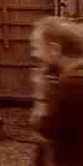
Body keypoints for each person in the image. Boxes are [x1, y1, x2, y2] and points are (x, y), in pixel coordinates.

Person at [29, 17, 83, 166]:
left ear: (55, 50)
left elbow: (45, 131)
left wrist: (40, 94)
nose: (35, 55)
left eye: (36, 47)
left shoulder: (71, 86)